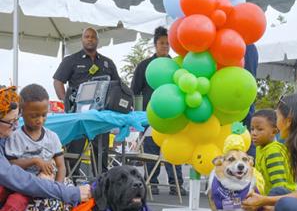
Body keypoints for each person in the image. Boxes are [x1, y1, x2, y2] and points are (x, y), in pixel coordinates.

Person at [0, 86, 91, 211]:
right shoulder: (14, 138)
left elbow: (60, 166)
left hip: (37, 183)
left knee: (60, 192)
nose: (14, 126)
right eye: (10, 122)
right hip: (22, 185)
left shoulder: (6, 137)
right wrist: (67, 192)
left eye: (16, 121)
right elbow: (15, 177)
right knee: (20, 202)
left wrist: (59, 185)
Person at [53, 27, 120, 175]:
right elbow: (58, 81)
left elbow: (117, 86)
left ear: (97, 40)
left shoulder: (107, 63)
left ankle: (101, 184)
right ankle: (72, 183)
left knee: (101, 154)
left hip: (100, 117)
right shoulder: (71, 60)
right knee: (74, 153)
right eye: (87, 37)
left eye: (93, 37)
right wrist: (66, 102)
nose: (90, 39)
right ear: (82, 39)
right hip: (78, 116)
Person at [131, 26, 186, 196]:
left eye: (167, 44)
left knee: (173, 150)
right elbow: (134, 90)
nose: (165, 46)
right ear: (155, 44)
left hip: (172, 115)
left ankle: (176, 184)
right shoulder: (145, 65)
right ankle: (151, 182)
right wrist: (138, 116)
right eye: (162, 43)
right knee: (150, 150)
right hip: (150, 116)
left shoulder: (175, 65)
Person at [242, 93, 297, 211]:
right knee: (278, 195)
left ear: (288, 121)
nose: (276, 123)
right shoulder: (295, 147)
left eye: (277, 117)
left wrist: (266, 201)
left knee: (283, 205)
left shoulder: (275, 150)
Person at [5, 84, 65, 182]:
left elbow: (61, 167)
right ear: (21, 112)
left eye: (44, 115)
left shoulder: (52, 137)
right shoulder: (15, 137)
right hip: (24, 186)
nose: (40, 120)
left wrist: (58, 189)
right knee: (15, 198)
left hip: (49, 186)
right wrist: (34, 161)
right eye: (34, 116)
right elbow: (11, 164)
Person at [251, 109, 297, 195]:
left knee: (276, 191)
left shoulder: (273, 151)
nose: (254, 133)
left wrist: (266, 202)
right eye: (252, 129)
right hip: (268, 194)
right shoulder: (259, 148)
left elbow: (279, 184)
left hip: (284, 195)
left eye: (259, 129)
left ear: (274, 131)